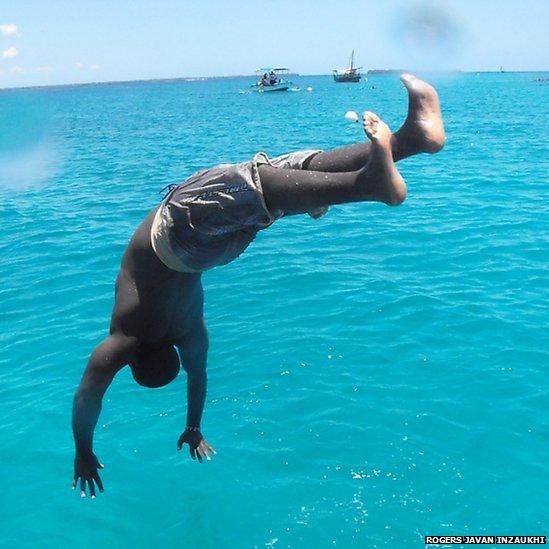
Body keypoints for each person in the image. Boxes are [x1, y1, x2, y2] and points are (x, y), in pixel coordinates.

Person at [72, 74, 445, 497]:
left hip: (212, 252)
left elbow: (195, 378)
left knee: (281, 181)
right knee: (260, 180)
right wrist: (82, 448)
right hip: (175, 236)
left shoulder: (188, 333)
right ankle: (371, 185)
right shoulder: (126, 338)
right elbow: (86, 399)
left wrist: (193, 428)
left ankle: (412, 140)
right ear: (134, 361)